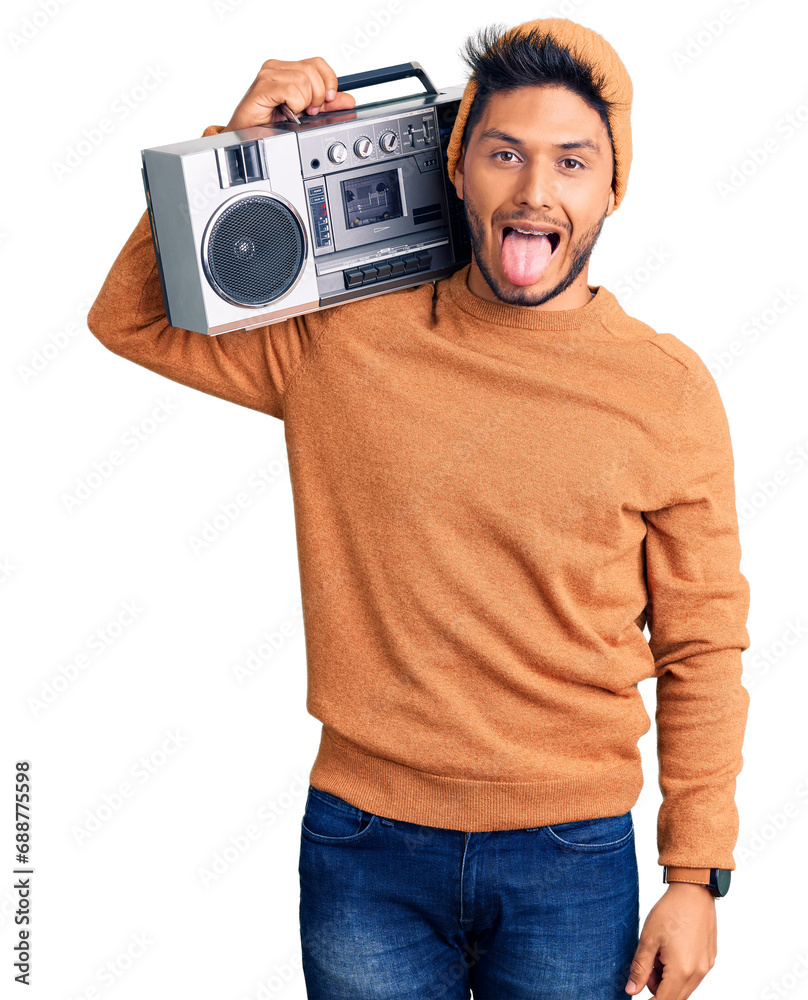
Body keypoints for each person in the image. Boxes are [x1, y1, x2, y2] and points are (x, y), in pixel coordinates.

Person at [87, 17, 750, 1000]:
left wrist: (695, 874)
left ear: (612, 187)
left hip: (571, 855)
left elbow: (702, 638)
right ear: (456, 167)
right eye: (503, 154)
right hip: (365, 844)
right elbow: (129, 318)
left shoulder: (667, 388)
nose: (534, 189)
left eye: (572, 161)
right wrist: (233, 160)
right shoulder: (339, 341)